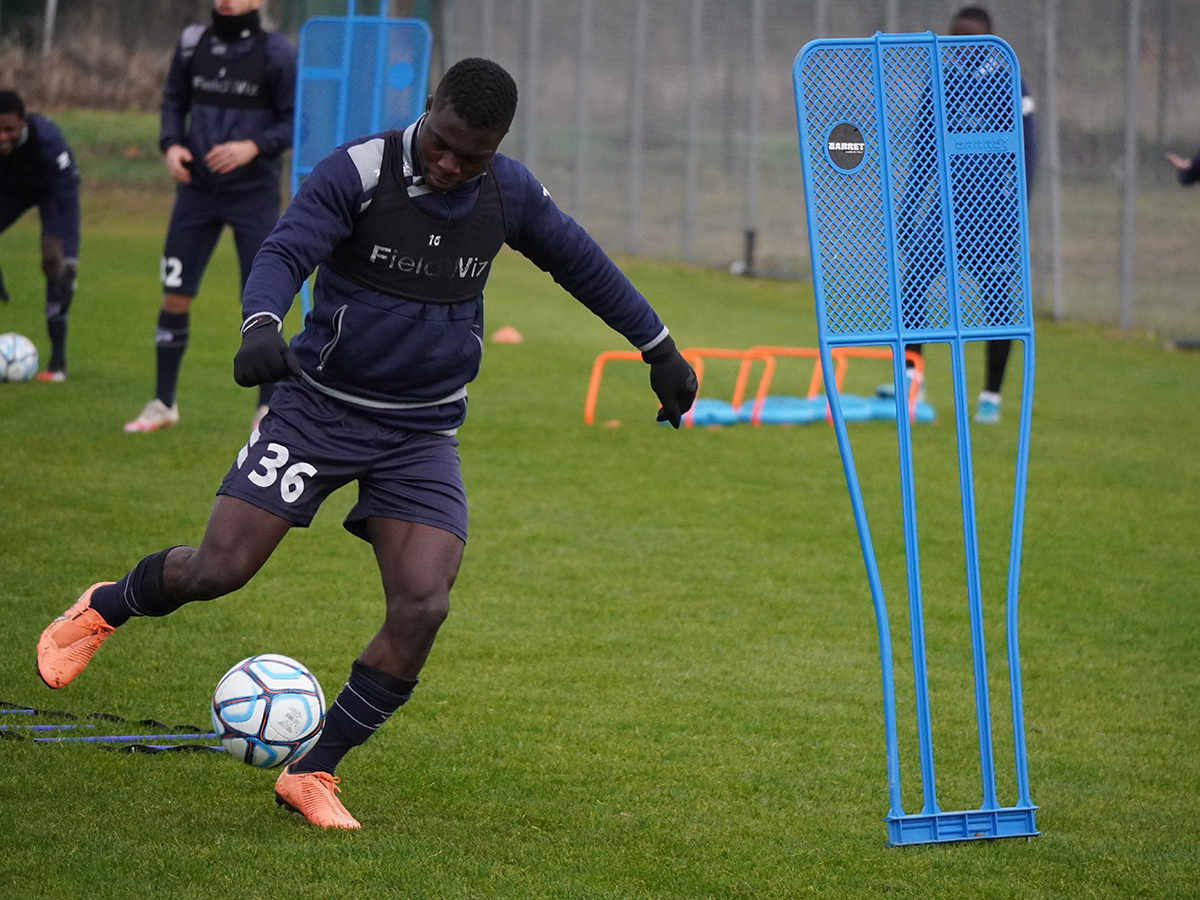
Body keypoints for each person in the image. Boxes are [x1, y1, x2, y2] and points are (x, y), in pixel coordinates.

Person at [36, 58, 697, 831]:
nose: (450, 165)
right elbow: (284, 251)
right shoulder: (358, 172)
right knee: (220, 569)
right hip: (317, 410)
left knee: (423, 603)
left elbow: (584, 265)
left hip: (420, 432)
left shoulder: (506, 191)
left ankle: (313, 770)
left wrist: (659, 349)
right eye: (442, 144)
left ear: (496, 147)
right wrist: (261, 323)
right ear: (429, 109)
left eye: (472, 156)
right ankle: (106, 606)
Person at [125, 0, 296, 433]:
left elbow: (295, 120)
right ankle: (163, 403)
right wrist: (171, 145)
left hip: (253, 195)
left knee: (263, 298)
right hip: (196, 193)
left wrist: (253, 146)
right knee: (174, 292)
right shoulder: (191, 43)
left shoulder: (277, 52)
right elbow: (173, 102)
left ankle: (266, 409)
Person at [878, 5, 1037, 425]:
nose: (958, 47)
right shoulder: (942, 81)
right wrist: (908, 209)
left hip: (992, 216)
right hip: (945, 213)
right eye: (953, 38)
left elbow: (1027, 150)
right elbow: (924, 150)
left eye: (968, 39)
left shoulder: (1009, 80)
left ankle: (991, 397)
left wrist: (1018, 210)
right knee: (913, 284)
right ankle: (911, 379)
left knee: (998, 305)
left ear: (987, 40)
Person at [0, 89, 81, 382]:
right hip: (10, 190)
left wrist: (68, 257)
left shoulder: (47, 139)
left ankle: (57, 362)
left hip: (52, 194)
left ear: (23, 121)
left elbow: (67, 197)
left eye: (9, 130)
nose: (2, 137)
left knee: (55, 263)